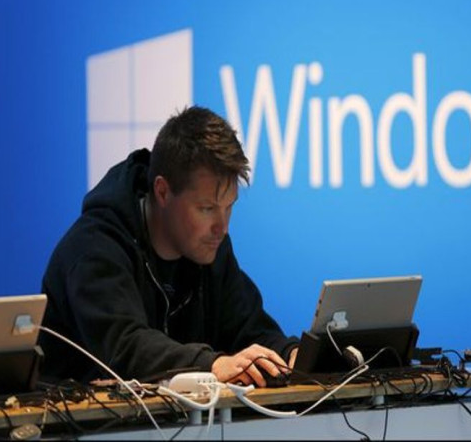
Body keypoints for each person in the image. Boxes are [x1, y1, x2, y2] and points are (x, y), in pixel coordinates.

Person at [38, 106, 298, 386]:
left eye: (229, 207)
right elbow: (125, 348)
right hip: (75, 414)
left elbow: (250, 330)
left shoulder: (209, 245)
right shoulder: (94, 247)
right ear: (162, 192)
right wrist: (211, 365)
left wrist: (292, 355)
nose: (222, 227)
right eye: (207, 208)